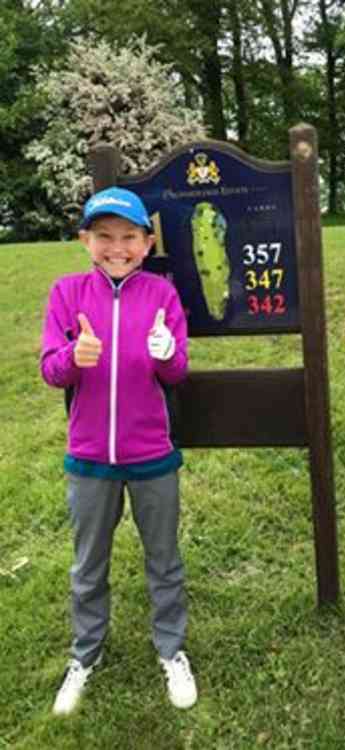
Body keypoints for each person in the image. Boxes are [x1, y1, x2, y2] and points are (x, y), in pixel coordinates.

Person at [41, 187, 197, 716]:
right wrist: (73, 356)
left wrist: (167, 352)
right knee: (88, 565)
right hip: (89, 457)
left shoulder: (161, 294)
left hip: (152, 453)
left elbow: (177, 371)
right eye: (104, 236)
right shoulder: (67, 293)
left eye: (129, 236)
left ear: (147, 242)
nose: (117, 247)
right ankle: (85, 654)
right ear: (86, 240)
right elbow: (49, 369)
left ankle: (171, 649)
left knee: (164, 561)